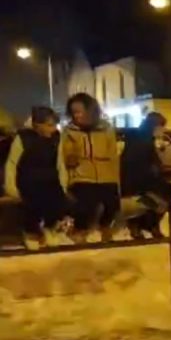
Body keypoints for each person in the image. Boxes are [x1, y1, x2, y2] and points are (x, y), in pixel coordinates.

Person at [4, 107, 68, 249]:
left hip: (50, 179)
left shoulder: (56, 138)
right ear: (38, 125)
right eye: (49, 125)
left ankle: (49, 229)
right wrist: (11, 186)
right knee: (32, 205)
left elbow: (60, 163)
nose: (52, 129)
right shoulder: (23, 138)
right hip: (28, 180)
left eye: (54, 125)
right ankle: (30, 233)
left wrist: (63, 184)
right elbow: (12, 163)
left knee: (56, 202)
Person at [60, 93, 121, 243]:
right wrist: (71, 159)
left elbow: (113, 154)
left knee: (113, 203)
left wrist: (117, 178)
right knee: (87, 201)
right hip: (81, 176)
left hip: (106, 174)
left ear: (91, 111)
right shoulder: (69, 131)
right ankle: (80, 229)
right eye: (74, 112)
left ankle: (105, 226)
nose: (77, 115)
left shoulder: (106, 128)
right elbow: (63, 155)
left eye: (80, 111)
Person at [121, 112, 171, 239]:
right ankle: (142, 224)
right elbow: (137, 167)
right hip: (138, 185)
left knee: (167, 194)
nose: (162, 130)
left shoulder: (144, 139)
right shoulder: (140, 141)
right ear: (154, 126)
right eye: (161, 127)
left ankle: (148, 224)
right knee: (164, 195)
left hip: (144, 183)